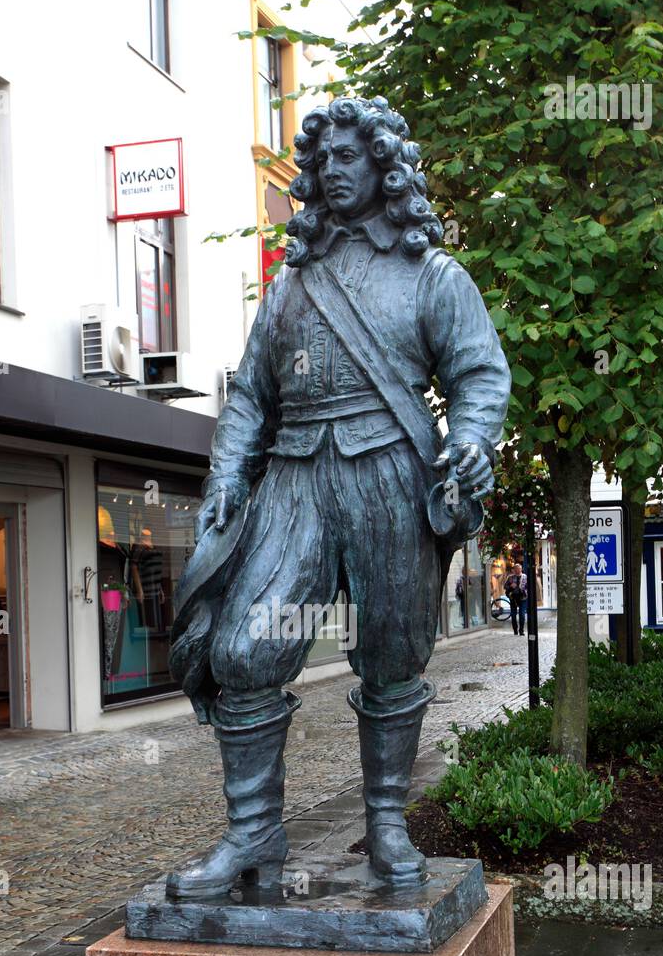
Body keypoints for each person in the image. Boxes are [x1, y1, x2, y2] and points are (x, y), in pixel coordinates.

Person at [166, 94, 510, 896]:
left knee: (393, 651)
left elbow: (478, 374)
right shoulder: (289, 287)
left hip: (389, 470)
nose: (330, 172)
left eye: (347, 157)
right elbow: (250, 394)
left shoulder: (432, 275)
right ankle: (253, 835)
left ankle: (386, 825)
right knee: (245, 650)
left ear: (384, 166)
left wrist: (469, 441)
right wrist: (225, 475)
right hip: (294, 479)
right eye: (321, 163)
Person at [503, 562, 528, 635]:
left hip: (522, 597)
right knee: (513, 615)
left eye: (519, 568)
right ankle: (515, 630)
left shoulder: (525, 577)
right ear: (514, 570)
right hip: (513, 598)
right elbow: (505, 587)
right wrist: (510, 586)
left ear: (521, 569)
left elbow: (528, 587)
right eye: (516, 569)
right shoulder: (510, 577)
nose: (518, 570)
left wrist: (524, 590)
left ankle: (521, 630)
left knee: (522, 615)